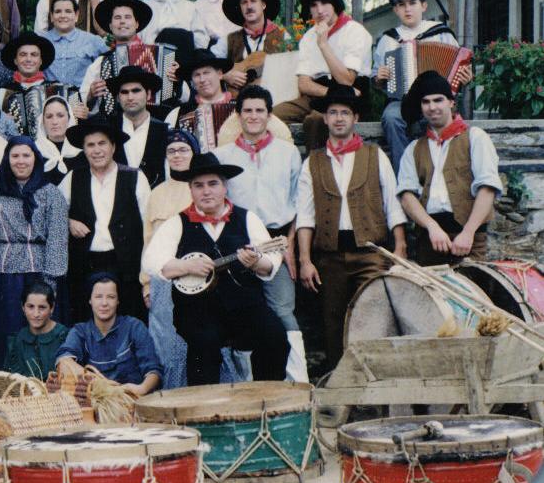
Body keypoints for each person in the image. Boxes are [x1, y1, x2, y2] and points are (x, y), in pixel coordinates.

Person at [143, 153, 289, 386]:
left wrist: (255, 262)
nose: (206, 191)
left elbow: (271, 259)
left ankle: (267, 399)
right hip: (197, 312)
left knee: (275, 338)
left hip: (244, 307)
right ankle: (206, 415)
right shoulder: (177, 223)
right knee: (203, 346)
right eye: (198, 185)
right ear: (190, 190)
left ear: (224, 187)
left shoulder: (247, 218)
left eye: (213, 184)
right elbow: (151, 261)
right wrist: (185, 265)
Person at [295, 84, 407, 370]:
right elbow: (305, 216)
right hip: (330, 257)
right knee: (333, 324)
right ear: (326, 119)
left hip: (370, 252)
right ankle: (342, 389)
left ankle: (378, 385)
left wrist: (400, 249)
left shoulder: (374, 155)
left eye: (345, 112)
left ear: (356, 118)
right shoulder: (313, 162)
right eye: (333, 113)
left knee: (375, 317)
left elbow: (392, 204)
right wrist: (305, 260)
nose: (339, 118)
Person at [213, 86, 307, 382]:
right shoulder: (222, 156)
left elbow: (299, 202)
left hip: (276, 242)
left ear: (269, 115)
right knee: (240, 314)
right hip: (235, 242)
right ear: (238, 115)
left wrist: (290, 245)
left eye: (260, 111)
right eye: (248, 111)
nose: (253, 116)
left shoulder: (288, 153)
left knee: (282, 309)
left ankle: (297, 381)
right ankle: (245, 385)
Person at [397, 71, 501, 265]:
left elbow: (487, 188)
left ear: (451, 102)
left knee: (470, 294)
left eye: (438, 100)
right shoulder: (413, 149)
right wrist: (432, 227)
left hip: (469, 240)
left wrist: (468, 232)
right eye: (426, 102)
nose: (432, 107)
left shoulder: (475, 137)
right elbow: (406, 196)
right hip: (429, 242)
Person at [60, 116, 150, 322]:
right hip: (86, 264)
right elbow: (53, 213)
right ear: (84, 149)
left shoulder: (135, 177)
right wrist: (68, 222)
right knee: (86, 322)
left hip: (126, 265)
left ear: (113, 147)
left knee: (128, 321)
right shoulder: (74, 177)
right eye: (90, 145)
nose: (96, 150)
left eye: (102, 143)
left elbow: (148, 225)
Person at [0, 137, 70, 357]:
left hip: (39, 274)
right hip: (4, 276)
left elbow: (58, 238)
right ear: (7, 159)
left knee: (40, 332)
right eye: (15, 156)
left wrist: (50, 282)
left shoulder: (50, 192)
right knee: (8, 332)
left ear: (35, 158)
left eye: (26, 155)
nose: (21, 161)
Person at [273, 0, 373, 151]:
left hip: (351, 98)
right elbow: (304, 84)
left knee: (316, 120)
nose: (320, 10)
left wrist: (324, 44)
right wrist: (331, 92)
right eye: (313, 5)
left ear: (334, 1)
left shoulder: (356, 32)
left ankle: (317, 168)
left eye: (324, 2)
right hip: (320, 94)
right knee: (273, 116)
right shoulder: (308, 37)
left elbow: (347, 81)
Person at [373, 0, 468, 168]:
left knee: (446, 116)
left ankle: (446, 169)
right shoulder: (388, 39)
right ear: (395, 10)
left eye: (412, 2)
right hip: (401, 99)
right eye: (401, 4)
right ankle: (404, 176)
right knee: (391, 118)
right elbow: (377, 79)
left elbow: (459, 65)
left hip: (436, 99)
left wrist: (463, 76)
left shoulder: (441, 34)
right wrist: (379, 78)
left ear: (423, 6)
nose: (408, 8)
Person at [142, 129, 197, 388]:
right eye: (172, 150)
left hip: (196, 278)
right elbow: (148, 241)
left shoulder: (201, 188)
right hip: (163, 282)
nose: (177, 155)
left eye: (183, 149)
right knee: (165, 344)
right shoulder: (157, 194)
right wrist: (146, 284)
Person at [56, 273, 162, 396]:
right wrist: (102, 384)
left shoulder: (134, 327)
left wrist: (142, 388)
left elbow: (153, 371)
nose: (104, 303)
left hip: (132, 399)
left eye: (111, 297)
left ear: (118, 300)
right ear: (90, 300)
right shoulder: (80, 331)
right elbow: (63, 362)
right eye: (98, 297)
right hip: (97, 401)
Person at [80, 0, 160, 117]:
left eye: (127, 17)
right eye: (117, 18)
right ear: (111, 26)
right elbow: (80, 101)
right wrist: (91, 94)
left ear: (137, 24)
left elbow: (183, 96)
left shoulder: (159, 56)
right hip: (114, 127)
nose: (122, 21)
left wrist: (175, 80)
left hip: (154, 121)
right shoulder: (102, 61)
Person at [0, 31, 85, 138]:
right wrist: (1, 122)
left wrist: (81, 115)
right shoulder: (0, 95)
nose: (28, 59)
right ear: (15, 60)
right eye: (23, 55)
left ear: (41, 60)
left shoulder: (65, 92)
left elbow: (77, 127)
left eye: (34, 55)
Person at [220, 0, 291, 94]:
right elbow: (208, 66)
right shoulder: (229, 39)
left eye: (253, 1)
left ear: (263, 5)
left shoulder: (283, 36)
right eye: (244, 2)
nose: (249, 6)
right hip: (237, 101)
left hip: (274, 99)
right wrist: (225, 76)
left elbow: (291, 70)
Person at [107, 67, 167, 187]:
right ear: (118, 98)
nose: (130, 97)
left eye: (136, 91)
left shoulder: (164, 131)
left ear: (148, 94)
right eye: (124, 92)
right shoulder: (108, 129)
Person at [166, 50, 236, 152]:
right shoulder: (177, 114)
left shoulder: (241, 109)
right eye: (197, 75)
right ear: (192, 80)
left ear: (220, 74)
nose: (202, 79)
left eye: (207, 73)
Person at [3, 282, 70, 380]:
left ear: (52, 308)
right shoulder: (17, 341)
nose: (36, 314)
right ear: (23, 307)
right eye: (30, 307)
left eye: (42, 307)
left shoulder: (65, 337)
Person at [41, 0, 105, 89]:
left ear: (76, 15)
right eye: (58, 11)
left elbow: (109, 65)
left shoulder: (93, 40)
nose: (63, 16)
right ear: (51, 16)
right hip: (49, 99)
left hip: (81, 99)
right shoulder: (40, 41)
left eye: (68, 11)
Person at [35, 95, 80, 185]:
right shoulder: (34, 152)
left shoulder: (81, 152)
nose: (55, 122)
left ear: (69, 118)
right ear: (42, 121)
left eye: (60, 116)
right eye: (49, 116)